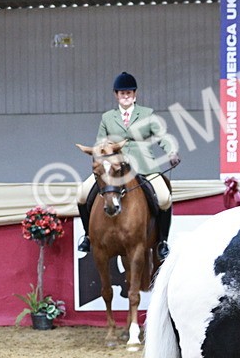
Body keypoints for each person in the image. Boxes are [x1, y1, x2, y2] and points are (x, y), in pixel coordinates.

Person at [77, 72, 180, 259]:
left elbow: (162, 136)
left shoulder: (147, 114)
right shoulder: (108, 117)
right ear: (116, 95)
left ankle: (162, 241)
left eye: (129, 93)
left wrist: (171, 151)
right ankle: (87, 236)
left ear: (135, 94)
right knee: (82, 194)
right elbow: (100, 143)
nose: (126, 96)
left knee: (164, 198)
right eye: (122, 93)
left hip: (144, 165)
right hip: (114, 167)